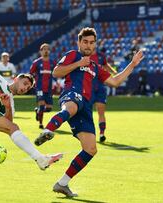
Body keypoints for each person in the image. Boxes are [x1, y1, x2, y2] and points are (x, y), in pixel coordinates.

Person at [34, 27, 144, 197]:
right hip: (71, 94)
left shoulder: (95, 67)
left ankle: (62, 184)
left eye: (91, 42)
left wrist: (133, 64)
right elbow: (57, 72)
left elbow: (115, 81)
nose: (88, 45)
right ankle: (47, 130)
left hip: (86, 106)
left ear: (95, 45)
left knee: (91, 148)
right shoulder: (73, 55)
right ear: (79, 42)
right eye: (85, 42)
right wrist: (78, 64)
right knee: (71, 107)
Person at [91, 44, 117, 143]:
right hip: (88, 88)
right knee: (87, 113)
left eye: (93, 42)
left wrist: (114, 73)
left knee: (101, 112)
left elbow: (106, 65)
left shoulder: (101, 56)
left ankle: (102, 134)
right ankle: (88, 134)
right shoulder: (84, 56)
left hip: (100, 88)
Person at [30, 43, 56, 129]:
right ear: (40, 51)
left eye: (47, 49)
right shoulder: (36, 62)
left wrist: (57, 82)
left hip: (48, 89)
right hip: (39, 88)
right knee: (41, 105)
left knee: (48, 108)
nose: (46, 51)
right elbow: (30, 74)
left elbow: (56, 73)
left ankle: (38, 112)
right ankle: (41, 124)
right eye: (44, 49)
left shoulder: (53, 63)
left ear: (49, 51)